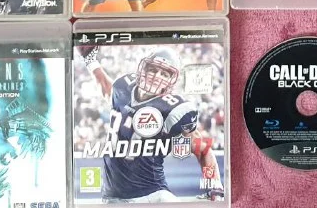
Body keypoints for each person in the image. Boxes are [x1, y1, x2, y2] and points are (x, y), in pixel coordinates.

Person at [80, 46, 224, 202]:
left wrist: (214, 185)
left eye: (164, 74)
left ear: (171, 81)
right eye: (153, 70)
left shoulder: (173, 109)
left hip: (153, 195)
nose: (157, 76)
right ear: (143, 69)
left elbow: (203, 150)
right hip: (114, 197)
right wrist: (91, 62)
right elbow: (107, 89)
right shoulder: (123, 87)